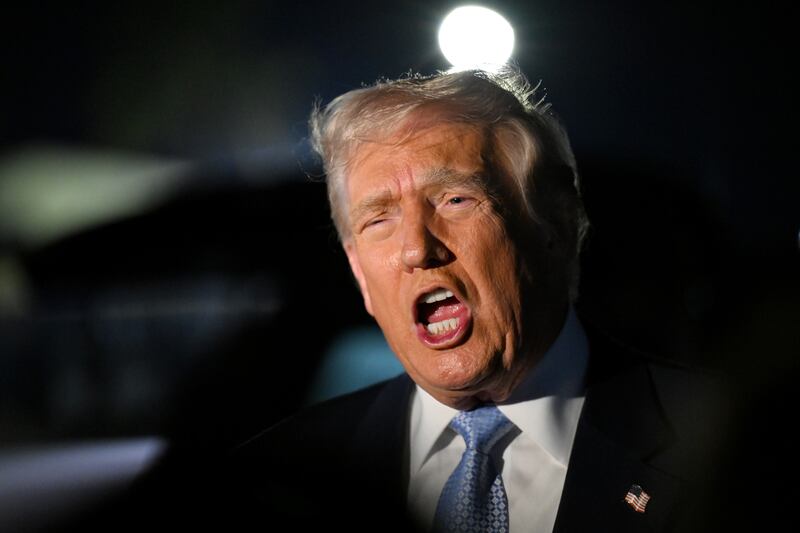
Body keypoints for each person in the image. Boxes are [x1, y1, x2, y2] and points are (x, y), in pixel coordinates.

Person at [228, 67, 726, 532]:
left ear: (553, 222)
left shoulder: (729, 440)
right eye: (379, 219)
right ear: (359, 273)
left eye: (455, 200)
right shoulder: (274, 477)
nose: (417, 249)